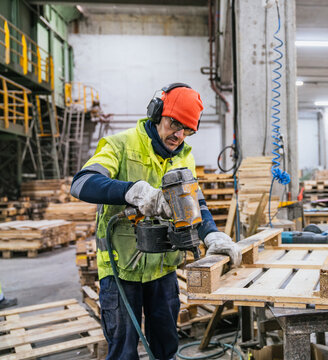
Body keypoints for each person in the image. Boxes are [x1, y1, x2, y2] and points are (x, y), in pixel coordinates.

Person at [70, 83, 242, 360]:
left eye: (187, 129)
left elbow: (194, 204)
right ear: (156, 113)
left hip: (163, 270)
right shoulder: (120, 145)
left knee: (165, 347)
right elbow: (81, 184)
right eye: (174, 123)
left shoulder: (183, 155)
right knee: (123, 352)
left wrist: (212, 235)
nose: (179, 135)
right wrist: (132, 192)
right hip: (121, 270)